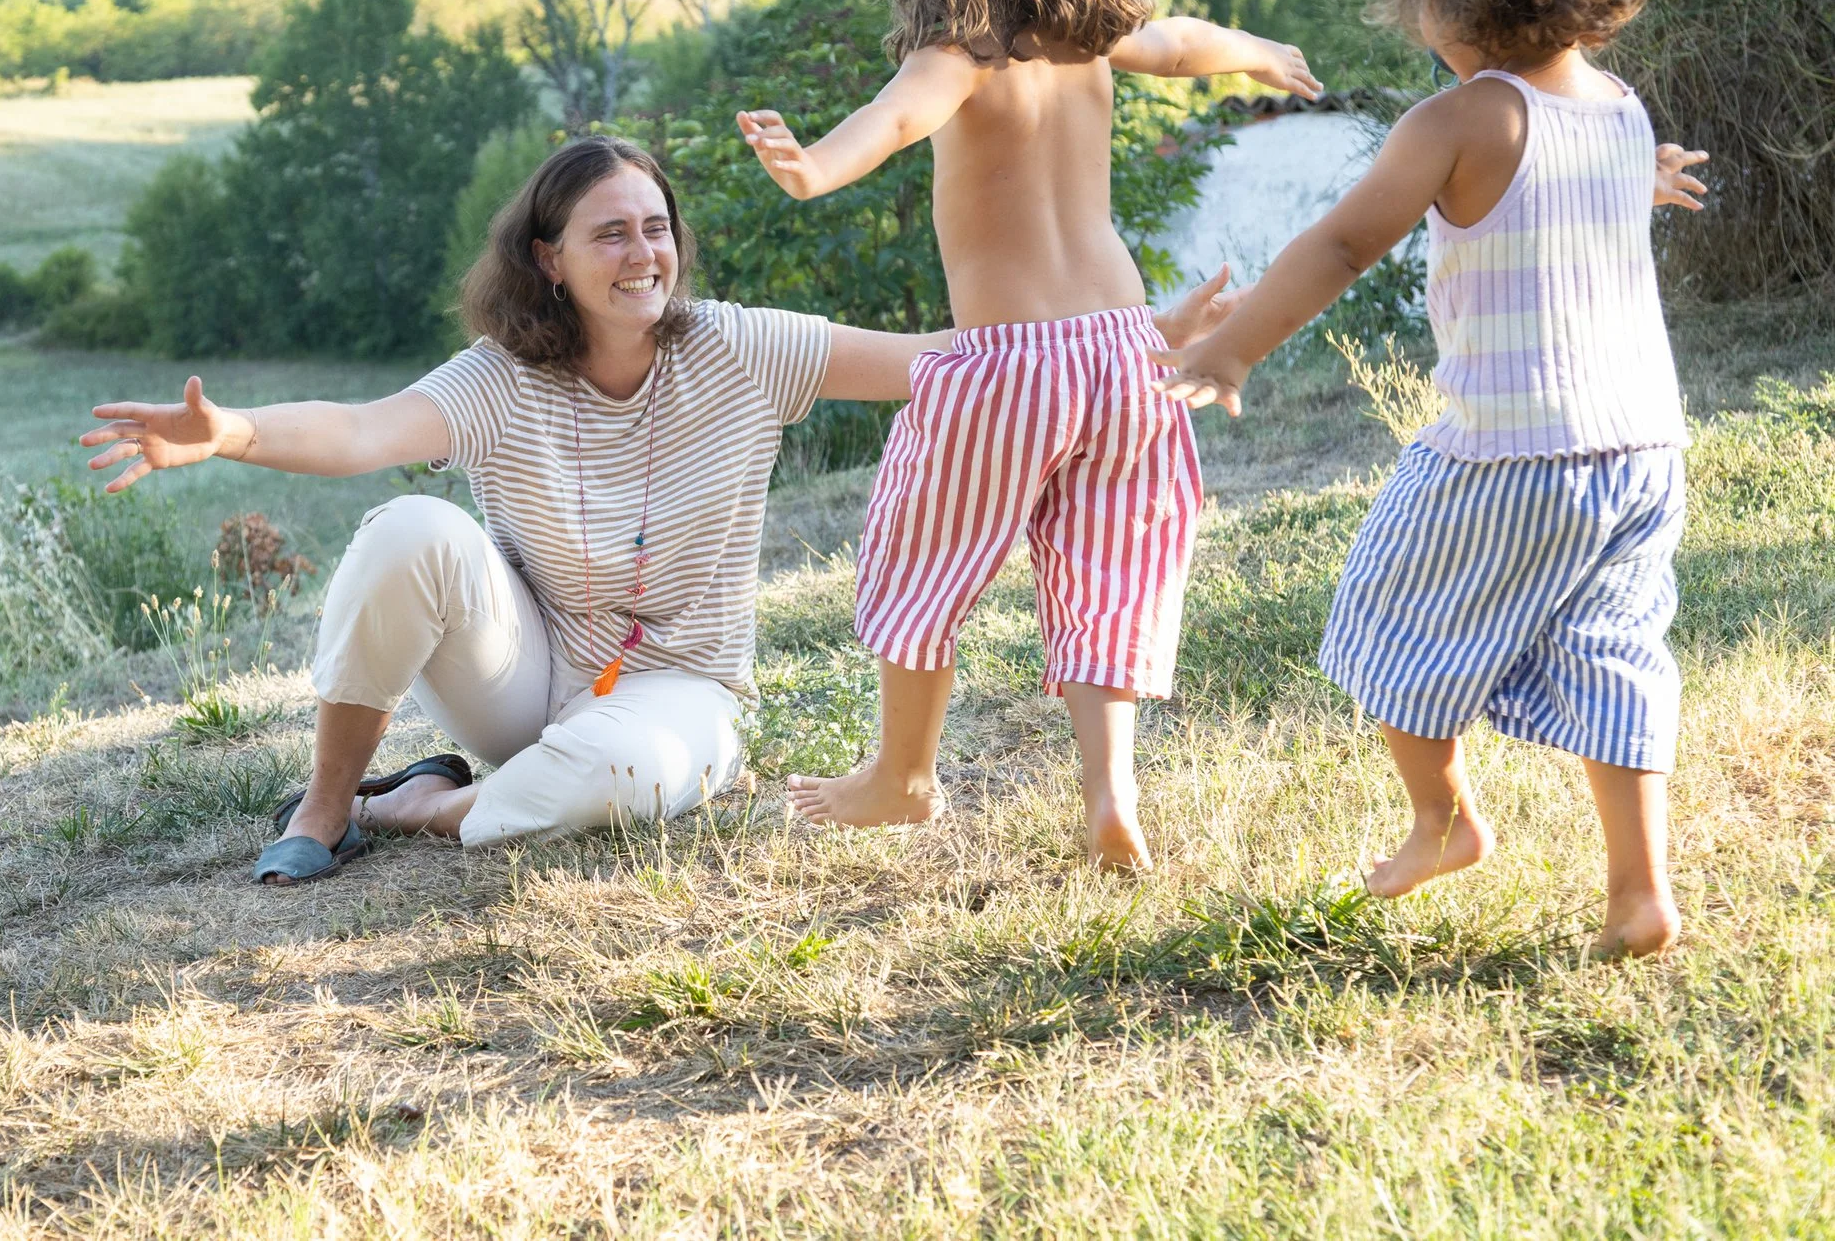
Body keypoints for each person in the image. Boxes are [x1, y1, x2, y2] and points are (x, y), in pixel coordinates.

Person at [82, 135, 1244, 884]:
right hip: (534, 670)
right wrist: (229, 431)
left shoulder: (736, 345)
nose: (645, 252)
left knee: (621, 780)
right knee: (407, 532)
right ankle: (331, 802)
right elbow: (366, 432)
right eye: (610, 232)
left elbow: (946, 356)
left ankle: (416, 810)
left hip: (679, 686)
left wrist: (1144, 335)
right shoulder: (498, 375)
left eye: (656, 226)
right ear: (549, 259)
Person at [1150, 0, 1710, 957]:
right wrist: (1634, 174)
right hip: (1642, 449)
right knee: (1614, 653)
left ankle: (1442, 820)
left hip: (1508, 448)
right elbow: (1563, 192)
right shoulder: (1615, 107)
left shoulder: (1457, 120)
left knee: (1389, 617)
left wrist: (1231, 348)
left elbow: (1347, 240)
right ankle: (1639, 891)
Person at [736, 0, 1317, 865]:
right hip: (1120, 351)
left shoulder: (962, 52)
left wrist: (813, 165)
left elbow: (896, 117)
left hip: (1004, 366)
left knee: (923, 559)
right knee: (1110, 569)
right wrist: (1253, 50)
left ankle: (903, 777)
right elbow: (1184, 41)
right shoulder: (1093, 36)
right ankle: (1110, 792)